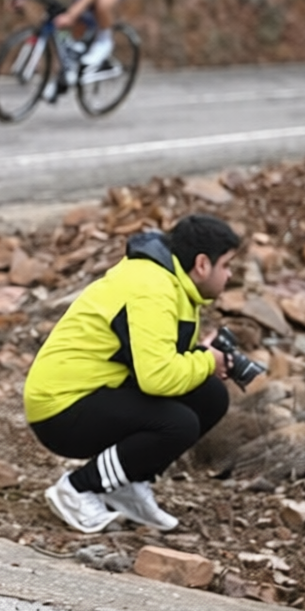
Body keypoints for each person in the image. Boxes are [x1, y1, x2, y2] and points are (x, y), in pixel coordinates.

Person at [23, 214, 241, 533]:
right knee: (178, 423)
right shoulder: (152, 287)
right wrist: (207, 360)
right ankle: (77, 488)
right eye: (227, 265)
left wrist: (201, 356)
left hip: (97, 390)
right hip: (60, 409)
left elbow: (157, 361)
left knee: (208, 396)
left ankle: (126, 484)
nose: (230, 275)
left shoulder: (174, 284)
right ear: (203, 264)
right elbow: (157, 378)